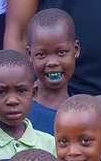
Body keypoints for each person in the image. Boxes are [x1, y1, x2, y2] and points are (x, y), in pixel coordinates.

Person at [0, 49, 56, 160]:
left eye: (21, 91)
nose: (12, 100)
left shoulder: (50, 144)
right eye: (1, 92)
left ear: (34, 93)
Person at [25, 8, 79, 137]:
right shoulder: (19, 110)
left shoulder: (84, 112)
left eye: (61, 52)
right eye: (41, 54)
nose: (52, 62)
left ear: (76, 49)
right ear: (29, 54)